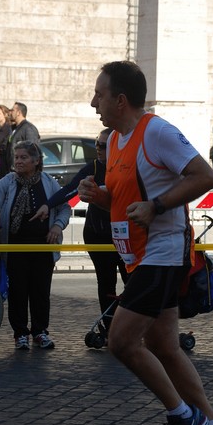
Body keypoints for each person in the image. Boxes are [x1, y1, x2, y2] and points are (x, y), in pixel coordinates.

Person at [78, 60, 213, 425]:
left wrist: (158, 205)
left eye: (99, 93)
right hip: (136, 255)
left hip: (163, 252)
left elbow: (205, 177)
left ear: (121, 100)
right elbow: (127, 200)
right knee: (163, 344)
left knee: (121, 341)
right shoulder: (114, 140)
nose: (93, 100)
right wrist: (102, 198)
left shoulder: (158, 132)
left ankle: (183, 419)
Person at [31, 128, 128, 335]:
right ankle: (111, 329)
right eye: (97, 143)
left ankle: (133, 326)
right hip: (98, 234)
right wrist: (48, 205)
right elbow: (69, 190)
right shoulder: (92, 167)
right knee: (106, 283)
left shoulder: (126, 167)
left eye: (103, 145)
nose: (98, 149)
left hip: (126, 235)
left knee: (134, 283)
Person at [0, 141, 71, 350]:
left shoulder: (49, 182)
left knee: (40, 292)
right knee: (18, 291)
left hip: (43, 247)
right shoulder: (8, 182)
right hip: (15, 248)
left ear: (36, 161)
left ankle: (40, 332)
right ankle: (20, 333)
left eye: (23, 158)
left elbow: (65, 207)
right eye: (17, 157)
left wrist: (57, 226)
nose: (18, 162)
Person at [5, 102, 40, 170]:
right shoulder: (14, 128)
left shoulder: (28, 128)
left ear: (18, 113)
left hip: (24, 172)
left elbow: (33, 151)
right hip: (14, 170)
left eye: (12, 110)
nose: (10, 112)